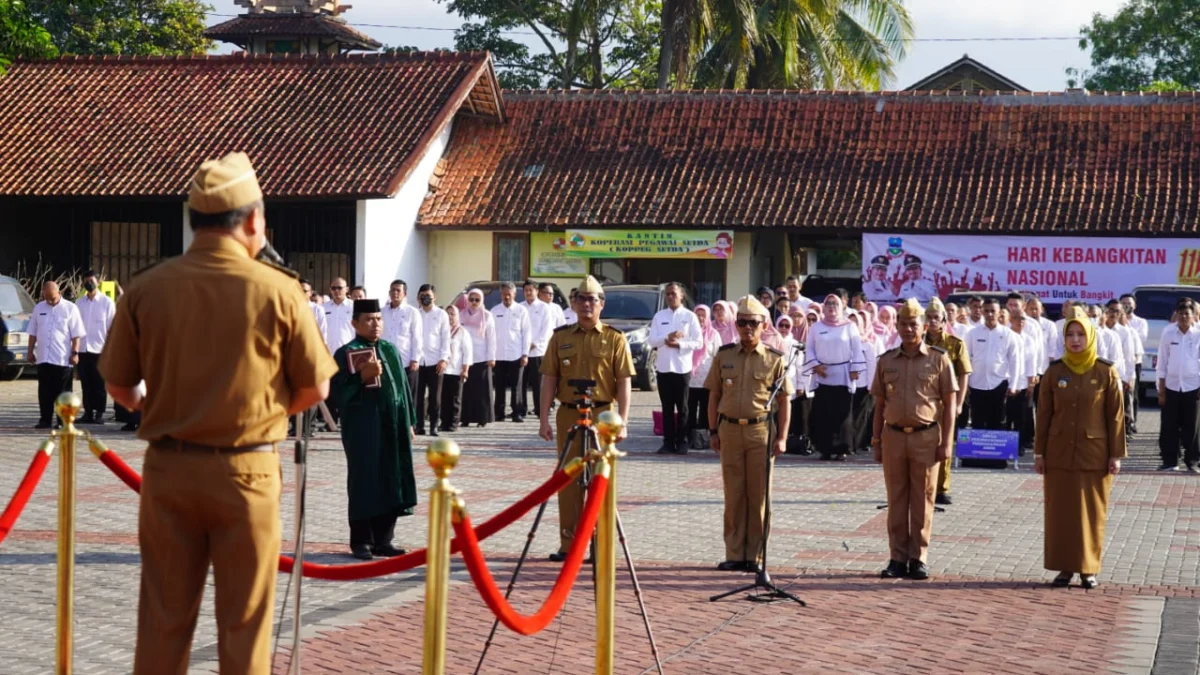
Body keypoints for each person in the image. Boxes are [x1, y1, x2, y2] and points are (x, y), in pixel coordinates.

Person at [98, 152, 336, 674]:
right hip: (247, 471)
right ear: (253, 220)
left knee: (162, 622)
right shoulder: (279, 289)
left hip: (168, 470)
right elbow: (316, 385)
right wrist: (263, 414)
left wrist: (153, 406)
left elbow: (118, 382)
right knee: (245, 627)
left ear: (193, 220)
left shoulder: (147, 288)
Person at [539, 275, 633, 561]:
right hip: (568, 413)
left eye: (592, 299)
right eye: (581, 299)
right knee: (568, 482)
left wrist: (623, 421)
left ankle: (600, 544)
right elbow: (549, 379)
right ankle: (569, 545)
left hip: (603, 414)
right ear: (574, 303)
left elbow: (623, 382)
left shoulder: (615, 338)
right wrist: (543, 418)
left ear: (601, 304)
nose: (586, 304)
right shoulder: (561, 337)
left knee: (600, 481)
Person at [1035, 310, 1125, 589]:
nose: (1075, 340)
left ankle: (1088, 569)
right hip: (1059, 453)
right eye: (1070, 335)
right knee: (1060, 512)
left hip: (1093, 455)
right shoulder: (1055, 371)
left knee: (1091, 513)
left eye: (1080, 334)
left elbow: (1116, 416)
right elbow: (1044, 415)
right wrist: (1039, 452)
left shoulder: (1105, 371)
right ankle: (1064, 568)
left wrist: (1115, 455)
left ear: (1091, 336)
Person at [871, 299, 957, 581]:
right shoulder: (886, 360)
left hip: (926, 438)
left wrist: (946, 443)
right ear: (896, 326)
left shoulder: (938, 358)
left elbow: (949, 402)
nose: (908, 329)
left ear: (924, 326)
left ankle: (918, 558)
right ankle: (897, 557)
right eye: (903, 324)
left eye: (913, 324)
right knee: (896, 499)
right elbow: (879, 404)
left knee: (923, 499)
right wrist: (875, 441)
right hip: (894, 437)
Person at [707, 296, 791, 572]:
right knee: (734, 495)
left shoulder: (774, 359)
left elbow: (784, 400)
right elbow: (714, 395)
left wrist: (782, 437)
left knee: (759, 496)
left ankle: (755, 556)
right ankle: (734, 553)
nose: (747, 328)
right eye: (742, 322)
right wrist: (713, 430)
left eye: (753, 323)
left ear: (763, 324)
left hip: (761, 431)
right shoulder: (724, 355)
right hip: (729, 430)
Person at [331, 298, 418, 560]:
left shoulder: (390, 349)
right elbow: (337, 394)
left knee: (391, 477)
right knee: (365, 480)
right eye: (368, 320)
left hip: (394, 426)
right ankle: (361, 541)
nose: (375, 324)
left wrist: (410, 421)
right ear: (355, 323)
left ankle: (384, 539)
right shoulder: (346, 352)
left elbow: (403, 388)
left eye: (378, 319)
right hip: (364, 428)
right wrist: (361, 376)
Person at [804, 294, 864, 460]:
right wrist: (816, 365)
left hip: (843, 374)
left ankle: (842, 448)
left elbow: (857, 349)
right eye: (828, 303)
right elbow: (809, 348)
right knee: (823, 412)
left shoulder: (849, 326)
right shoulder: (816, 327)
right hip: (823, 375)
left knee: (842, 413)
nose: (831, 307)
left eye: (834, 304)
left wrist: (855, 369)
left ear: (841, 306)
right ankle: (825, 448)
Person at [924, 298, 970, 506]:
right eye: (929, 318)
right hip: (922, 402)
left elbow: (964, 374)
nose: (933, 322)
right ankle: (924, 485)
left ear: (944, 320)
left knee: (945, 445)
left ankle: (941, 488)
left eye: (937, 318)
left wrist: (959, 403)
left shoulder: (955, 343)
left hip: (946, 403)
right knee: (922, 445)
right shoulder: (918, 344)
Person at [649, 282, 702, 454]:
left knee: (683, 407)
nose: (670, 297)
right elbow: (651, 341)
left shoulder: (689, 316)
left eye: (673, 293)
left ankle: (683, 441)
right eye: (668, 294)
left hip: (682, 368)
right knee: (667, 408)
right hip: (664, 368)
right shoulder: (659, 316)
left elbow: (698, 342)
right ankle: (668, 442)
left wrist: (679, 344)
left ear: (682, 296)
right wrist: (666, 338)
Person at [27, 280, 85, 429]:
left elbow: (76, 334)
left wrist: (75, 353)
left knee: (63, 393)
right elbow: (32, 332)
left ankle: (63, 421)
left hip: (62, 358)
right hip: (43, 357)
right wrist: (30, 351)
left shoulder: (70, 308)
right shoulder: (39, 308)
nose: (49, 300)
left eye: (52, 297)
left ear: (59, 293)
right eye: (46, 297)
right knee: (44, 392)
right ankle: (45, 420)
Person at [1156, 297, 1200, 473]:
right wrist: (1161, 389)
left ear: (1193, 315)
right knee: (1169, 425)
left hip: (1193, 386)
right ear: (1176, 314)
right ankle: (1170, 461)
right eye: (1181, 313)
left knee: (1193, 426)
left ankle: (1193, 461)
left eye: (1187, 314)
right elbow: (1162, 361)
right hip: (1171, 385)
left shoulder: (1198, 334)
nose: (1183, 317)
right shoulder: (1168, 333)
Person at [965, 298, 1020, 430]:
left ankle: (993, 450)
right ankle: (977, 450)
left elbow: (1014, 359)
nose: (989, 314)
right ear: (982, 312)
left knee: (996, 422)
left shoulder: (1008, 334)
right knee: (977, 421)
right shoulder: (972, 333)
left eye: (993, 311)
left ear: (999, 312)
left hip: (999, 383)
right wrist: (965, 384)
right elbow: (965, 359)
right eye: (986, 311)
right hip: (976, 384)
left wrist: (1013, 384)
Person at [74, 270, 116, 424]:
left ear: (98, 282)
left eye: (91, 280)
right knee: (86, 382)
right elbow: (75, 326)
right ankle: (88, 412)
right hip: (84, 349)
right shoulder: (79, 303)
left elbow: (112, 327)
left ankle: (99, 413)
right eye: (86, 280)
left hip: (100, 349)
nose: (88, 283)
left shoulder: (107, 302)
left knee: (99, 383)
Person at [491, 282, 532, 422]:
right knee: (500, 386)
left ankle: (517, 412)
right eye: (504, 294)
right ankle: (499, 413)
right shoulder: (495, 311)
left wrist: (525, 354)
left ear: (514, 294)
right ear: (501, 294)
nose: (506, 297)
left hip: (516, 353)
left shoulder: (521, 311)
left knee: (517, 386)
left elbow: (526, 333)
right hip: (499, 354)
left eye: (509, 294)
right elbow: (491, 335)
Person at [415, 284, 450, 436]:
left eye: (428, 295)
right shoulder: (415, 313)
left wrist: (443, 358)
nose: (426, 298)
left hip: (435, 361)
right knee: (418, 396)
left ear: (434, 297)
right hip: (418, 361)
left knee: (435, 397)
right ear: (418, 297)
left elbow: (445, 338)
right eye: (423, 295)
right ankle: (419, 425)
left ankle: (434, 425)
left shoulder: (442, 315)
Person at [460, 288, 497, 427]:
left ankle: (482, 419)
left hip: (481, 357)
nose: (474, 302)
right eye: (471, 299)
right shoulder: (461, 315)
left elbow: (491, 338)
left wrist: (491, 357)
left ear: (481, 301)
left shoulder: (487, 316)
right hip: (464, 359)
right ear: (467, 300)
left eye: (477, 300)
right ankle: (465, 418)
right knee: (466, 390)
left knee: (481, 391)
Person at [382, 279, 423, 400]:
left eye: (398, 290)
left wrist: (415, 359)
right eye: (392, 290)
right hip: (386, 361)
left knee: (408, 397)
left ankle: (409, 420)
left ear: (405, 294)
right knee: (389, 396)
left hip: (406, 362)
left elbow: (417, 337)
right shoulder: (381, 312)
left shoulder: (412, 312)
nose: (395, 293)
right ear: (389, 293)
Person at [522, 280, 557, 420]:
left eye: (531, 290)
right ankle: (521, 409)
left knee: (538, 384)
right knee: (521, 383)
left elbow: (547, 330)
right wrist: (524, 345)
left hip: (538, 351)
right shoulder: (520, 307)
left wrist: (534, 343)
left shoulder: (544, 308)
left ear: (537, 291)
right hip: (522, 352)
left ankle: (540, 409)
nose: (528, 293)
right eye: (526, 290)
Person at [688, 304, 721, 450]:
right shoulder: (688, 332)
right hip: (689, 378)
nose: (700, 318)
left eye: (703, 315)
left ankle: (703, 439)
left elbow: (718, 356)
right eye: (697, 315)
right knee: (689, 408)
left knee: (705, 410)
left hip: (706, 378)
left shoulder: (713, 334)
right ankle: (689, 437)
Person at [1104, 299, 1139, 437]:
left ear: (1121, 313)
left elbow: (1129, 357)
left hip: (1119, 375)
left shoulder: (1125, 332)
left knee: (1121, 408)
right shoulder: (1098, 330)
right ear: (1106, 311)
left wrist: (1128, 378)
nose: (1113, 313)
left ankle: (1123, 434)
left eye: (1117, 311)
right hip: (1100, 376)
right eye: (1111, 310)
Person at [1006, 313, 1038, 452]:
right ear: (1011, 320)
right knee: (1007, 416)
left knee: (1021, 416)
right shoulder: (1005, 336)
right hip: (1006, 382)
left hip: (1023, 383)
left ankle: (1018, 446)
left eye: (1023, 319)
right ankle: (1005, 446)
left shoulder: (1029, 340)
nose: (1021, 322)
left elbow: (1032, 363)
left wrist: (1031, 383)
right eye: (1017, 319)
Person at [439, 304, 472, 432]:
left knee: (455, 399)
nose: (450, 317)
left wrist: (465, 370)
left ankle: (453, 422)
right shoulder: (442, 330)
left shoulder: (463, 332)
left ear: (458, 316)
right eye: (448, 314)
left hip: (456, 370)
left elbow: (467, 353)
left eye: (453, 314)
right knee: (443, 398)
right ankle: (444, 422)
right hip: (443, 369)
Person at [323, 277, 355, 352]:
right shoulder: (323, 308)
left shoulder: (354, 307)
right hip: (328, 352)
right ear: (330, 290)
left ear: (347, 289)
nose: (336, 291)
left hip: (348, 351)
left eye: (339, 288)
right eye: (333, 288)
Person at [300, 278, 328, 345]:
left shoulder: (317, 309)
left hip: (312, 347)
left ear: (311, 293)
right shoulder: (289, 308)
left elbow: (323, 332)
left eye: (304, 291)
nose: (300, 293)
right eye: (298, 290)